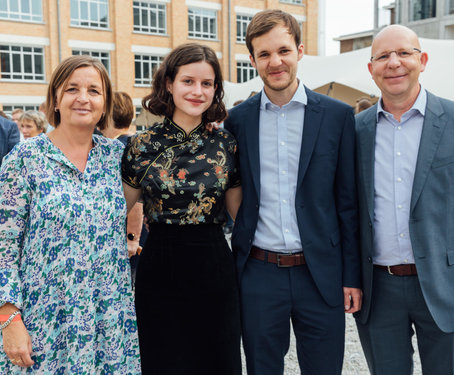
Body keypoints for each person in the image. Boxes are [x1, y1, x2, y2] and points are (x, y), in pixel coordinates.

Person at [223, 9, 361, 375]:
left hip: (320, 274)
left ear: (300, 50)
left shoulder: (336, 116)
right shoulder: (238, 121)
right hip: (258, 271)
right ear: (252, 60)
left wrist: (351, 277)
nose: (275, 61)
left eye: (283, 50)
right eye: (264, 54)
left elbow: (347, 204)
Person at [0, 55, 140, 373]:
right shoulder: (25, 158)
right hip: (43, 321)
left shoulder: (118, 158)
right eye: (72, 89)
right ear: (56, 99)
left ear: (105, 103)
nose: (82, 98)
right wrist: (8, 318)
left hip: (107, 321)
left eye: (94, 90)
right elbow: (3, 246)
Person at [354, 24, 454, 374]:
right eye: (382, 56)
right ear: (371, 69)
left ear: (422, 60)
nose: (393, 63)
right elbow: (348, 212)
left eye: (404, 53)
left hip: (448, 289)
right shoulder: (355, 131)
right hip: (378, 292)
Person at [122, 43, 242, 375]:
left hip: (213, 264)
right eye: (188, 81)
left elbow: (240, 215)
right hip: (160, 264)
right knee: (162, 360)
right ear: (169, 84)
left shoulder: (227, 145)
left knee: (217, 361)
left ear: (216, 89)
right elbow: (116, 211)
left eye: (207, 83)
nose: (197, 91)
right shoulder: (141, 146)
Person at [102, 91, 146, 284]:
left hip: (128, 235)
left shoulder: (120, 148)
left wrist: (131, 238)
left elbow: (136, 198)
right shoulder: (136, 142)